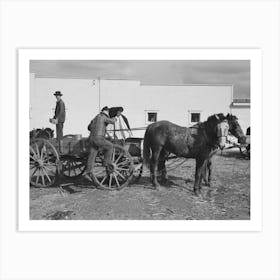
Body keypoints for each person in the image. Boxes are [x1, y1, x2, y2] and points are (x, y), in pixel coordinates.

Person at [85, 106, 117, 180]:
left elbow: (89, 127)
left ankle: (88, 172)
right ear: (106, 111)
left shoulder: (96, 117)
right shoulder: (103, 117)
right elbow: (112, 122)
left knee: (92, 155)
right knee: (110, 146)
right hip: (99, 138)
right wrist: (114, 119)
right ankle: (106, 163)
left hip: (91, 139)